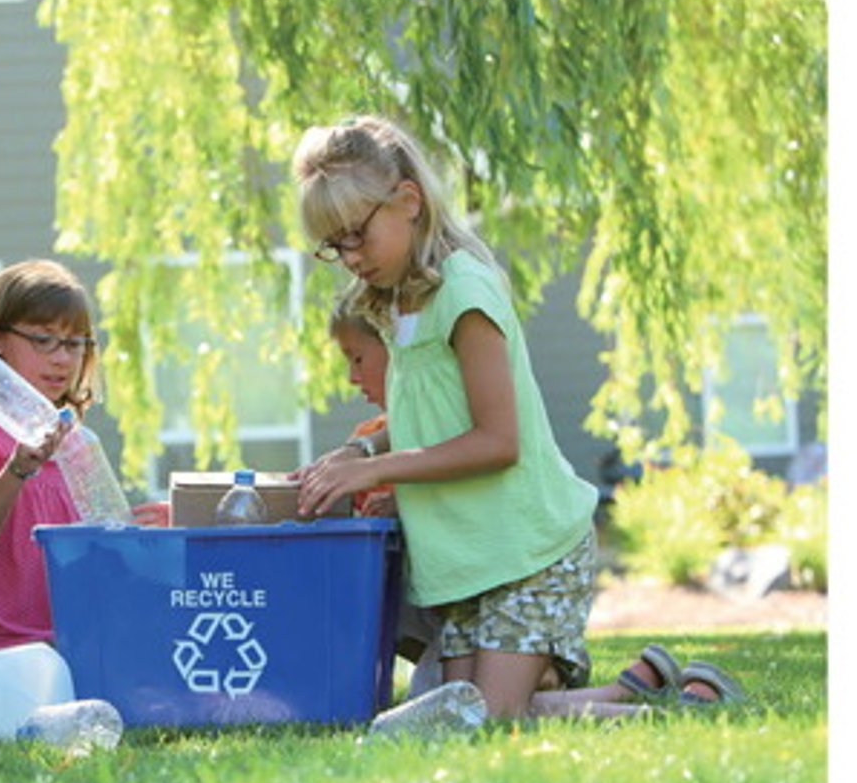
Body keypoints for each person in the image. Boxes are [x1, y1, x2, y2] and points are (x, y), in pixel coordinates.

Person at [292, 116, 744, 721]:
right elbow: (432, 420)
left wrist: (376, 472)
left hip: (528, 551)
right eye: (333, 244)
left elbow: (497, 441)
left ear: (408, 201)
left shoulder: (464, 293)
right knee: (465, 712)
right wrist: (363, 456)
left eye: (356, 235)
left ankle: (681, 715)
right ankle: (631, 693)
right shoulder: (399, 304)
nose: (348, 257)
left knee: (491, 718)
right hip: (467, 561)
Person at [0, 259, 168, 659]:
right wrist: (16, 471)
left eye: (74, 343)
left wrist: (145, 535)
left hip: (73, 647)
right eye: (43, 339)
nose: (62, 359)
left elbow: (100, 564)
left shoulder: (75, 439)